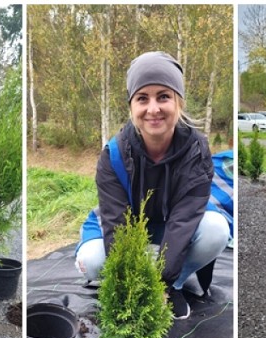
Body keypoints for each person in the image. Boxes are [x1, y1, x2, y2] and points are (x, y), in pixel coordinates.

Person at [75, 51, 231, 320]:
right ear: (131, 106)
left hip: (171, 228)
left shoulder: (196, 151)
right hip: (125, 228)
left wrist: (163, 284)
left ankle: (176, 285)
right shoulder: (113, 155)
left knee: (217, 230)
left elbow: (184, 221)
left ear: (178, 102)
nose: (153, 109)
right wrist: (129, 286)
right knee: (90, 262)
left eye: (163, 96)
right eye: (142, 98)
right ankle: (139, 275)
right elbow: (117, 225)